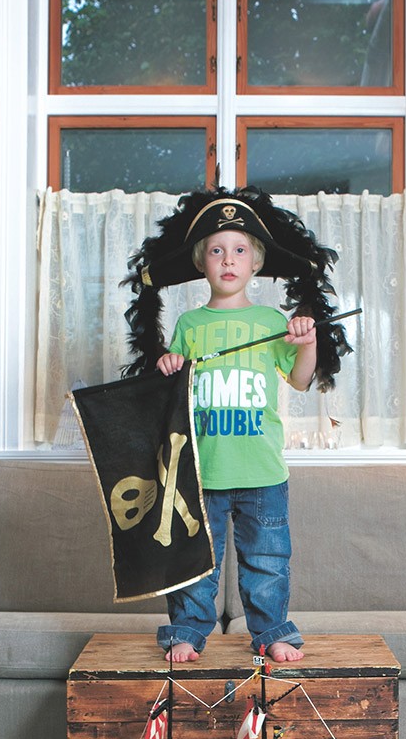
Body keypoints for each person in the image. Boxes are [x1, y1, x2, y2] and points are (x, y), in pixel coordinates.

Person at [122, 186, 352, 665]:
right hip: (201, 470)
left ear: (257, 262)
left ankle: (271, 634)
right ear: (201, 262)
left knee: (267, 561)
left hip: (262, 472)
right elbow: (172, 385)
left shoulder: (271, 321)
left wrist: (308, 341)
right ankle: (187, 631)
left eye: (240, 250)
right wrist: (168, 364)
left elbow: (301, 379)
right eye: (217, 250)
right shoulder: (190, 324)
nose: (229, 259)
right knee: (194, 563)